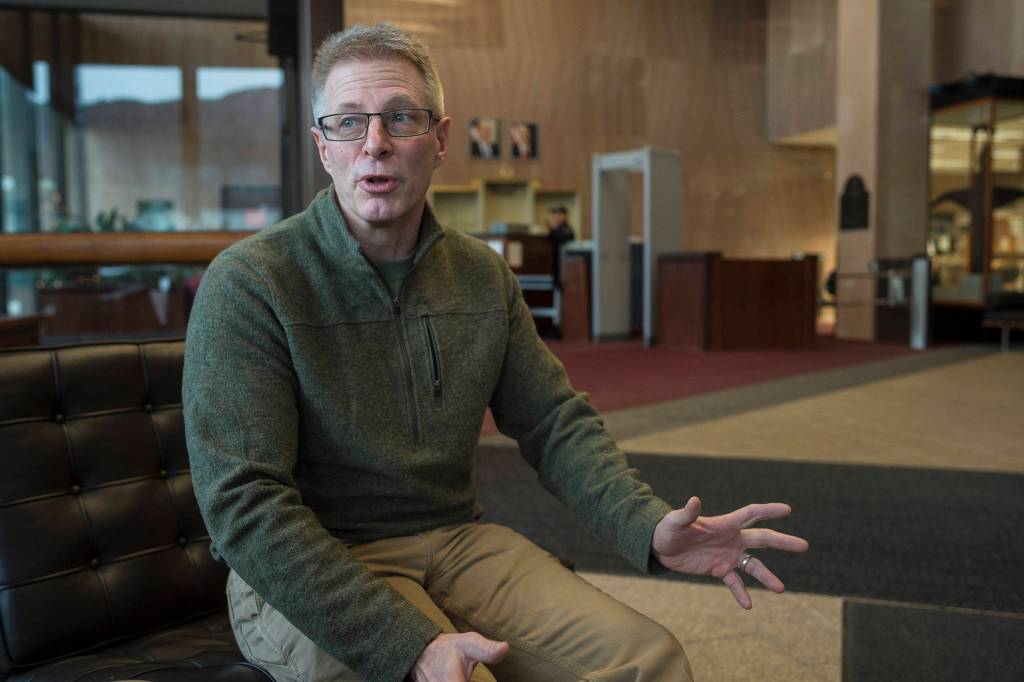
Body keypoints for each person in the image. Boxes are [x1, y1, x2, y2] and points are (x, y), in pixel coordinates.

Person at [183, 23, 809, 682]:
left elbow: (553, 422)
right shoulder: (252, 281)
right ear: (322, 146)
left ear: (440, 139)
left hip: (457, 541)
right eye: (347, 122)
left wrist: (648, 525)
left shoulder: (480, 275)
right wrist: (409, 645)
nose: (375, 143)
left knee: (649, 661)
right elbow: (246, 506)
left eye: (401, 118)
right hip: (311, 564)